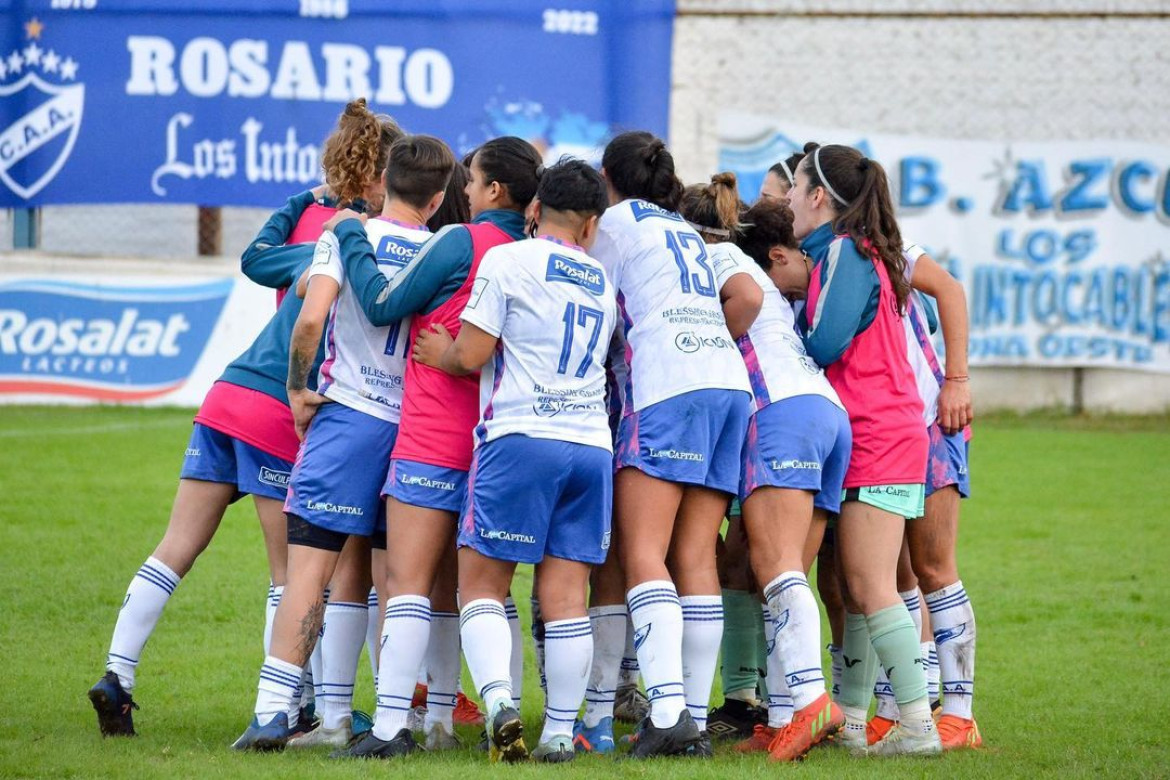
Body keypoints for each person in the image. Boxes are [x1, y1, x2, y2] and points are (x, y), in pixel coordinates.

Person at [87, 100, 399, 739]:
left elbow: (256, 258)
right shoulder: (362, 243)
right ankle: (291, 709)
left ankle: (117, 676)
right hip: (280, 405)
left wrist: (306, 197)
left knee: (175, 549)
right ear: (384, 176)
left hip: (227, 392)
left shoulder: (311, 226)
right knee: (292, 574)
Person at [232, 135, 455, 752]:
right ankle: (399, 716)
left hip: (348, 417)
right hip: (412, 429)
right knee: (397, 578)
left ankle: (277, 711)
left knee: (313, 569)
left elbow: (309, 317)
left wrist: (299, 390)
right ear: (437, 198)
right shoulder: (445, 250)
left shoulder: (342, 233)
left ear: (385, 178)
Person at [329, 137, 542, 759]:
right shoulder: (532, 254)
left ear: (494, 190)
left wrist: (348, 236)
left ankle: (392, 727)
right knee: (468, 589)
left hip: (432, 435)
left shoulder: (463, 241)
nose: (464, 191)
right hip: (498, 439)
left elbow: (380, 304)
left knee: (407, 582)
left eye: (472, 180)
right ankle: (444, 721)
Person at [414, 158, 617, 763]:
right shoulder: (601, 277)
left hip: (521, 436)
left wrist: (441, 352)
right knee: (566, 596)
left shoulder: (507, 260)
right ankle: (559, 733)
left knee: (480, 585)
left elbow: (473, 353)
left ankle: (500, 702)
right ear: (590, 224)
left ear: (535, 209)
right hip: (590, 445)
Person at [589, 132, 761, 758]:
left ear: (608, 176)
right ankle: (686, 715)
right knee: (694, 554)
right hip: (727, 386)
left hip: (666, 387)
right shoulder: (685, 228)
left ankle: (666, 713)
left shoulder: (611, 223)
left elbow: (592, 300)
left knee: (643, 554)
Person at [681, 177, 852, 760]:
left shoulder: (713, 257)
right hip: (824, 411)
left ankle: (808, 701)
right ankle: (785, 718)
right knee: (781, 578)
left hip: (778, 410)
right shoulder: (759, 275)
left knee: (776, 569)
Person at [786, 143, 938, 757]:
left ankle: (918, 725)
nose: (790, 199)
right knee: (857, 586)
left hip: (879, 434)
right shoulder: (856, 251)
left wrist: (788, 315)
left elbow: (825, 343)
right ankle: (851, 719)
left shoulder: (848, 251)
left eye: (796, 187)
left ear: (820, 197)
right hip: (880, 434)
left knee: (872, 586)